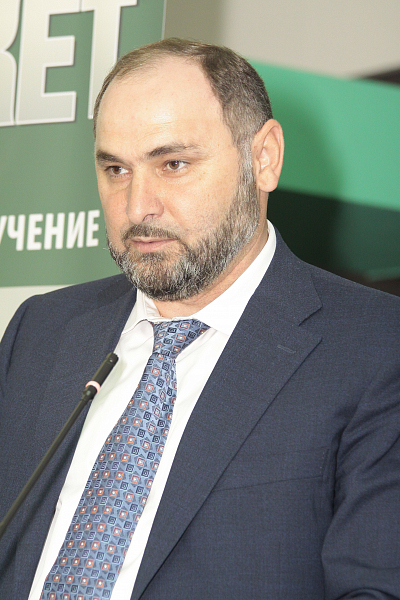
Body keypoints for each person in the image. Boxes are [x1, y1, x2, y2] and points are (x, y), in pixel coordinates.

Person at [0, 38, 399, 600]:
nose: (137, 207)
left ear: (264, 158)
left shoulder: (376, 347)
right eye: (116, 169)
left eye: (173, 164)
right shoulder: (40, 330)